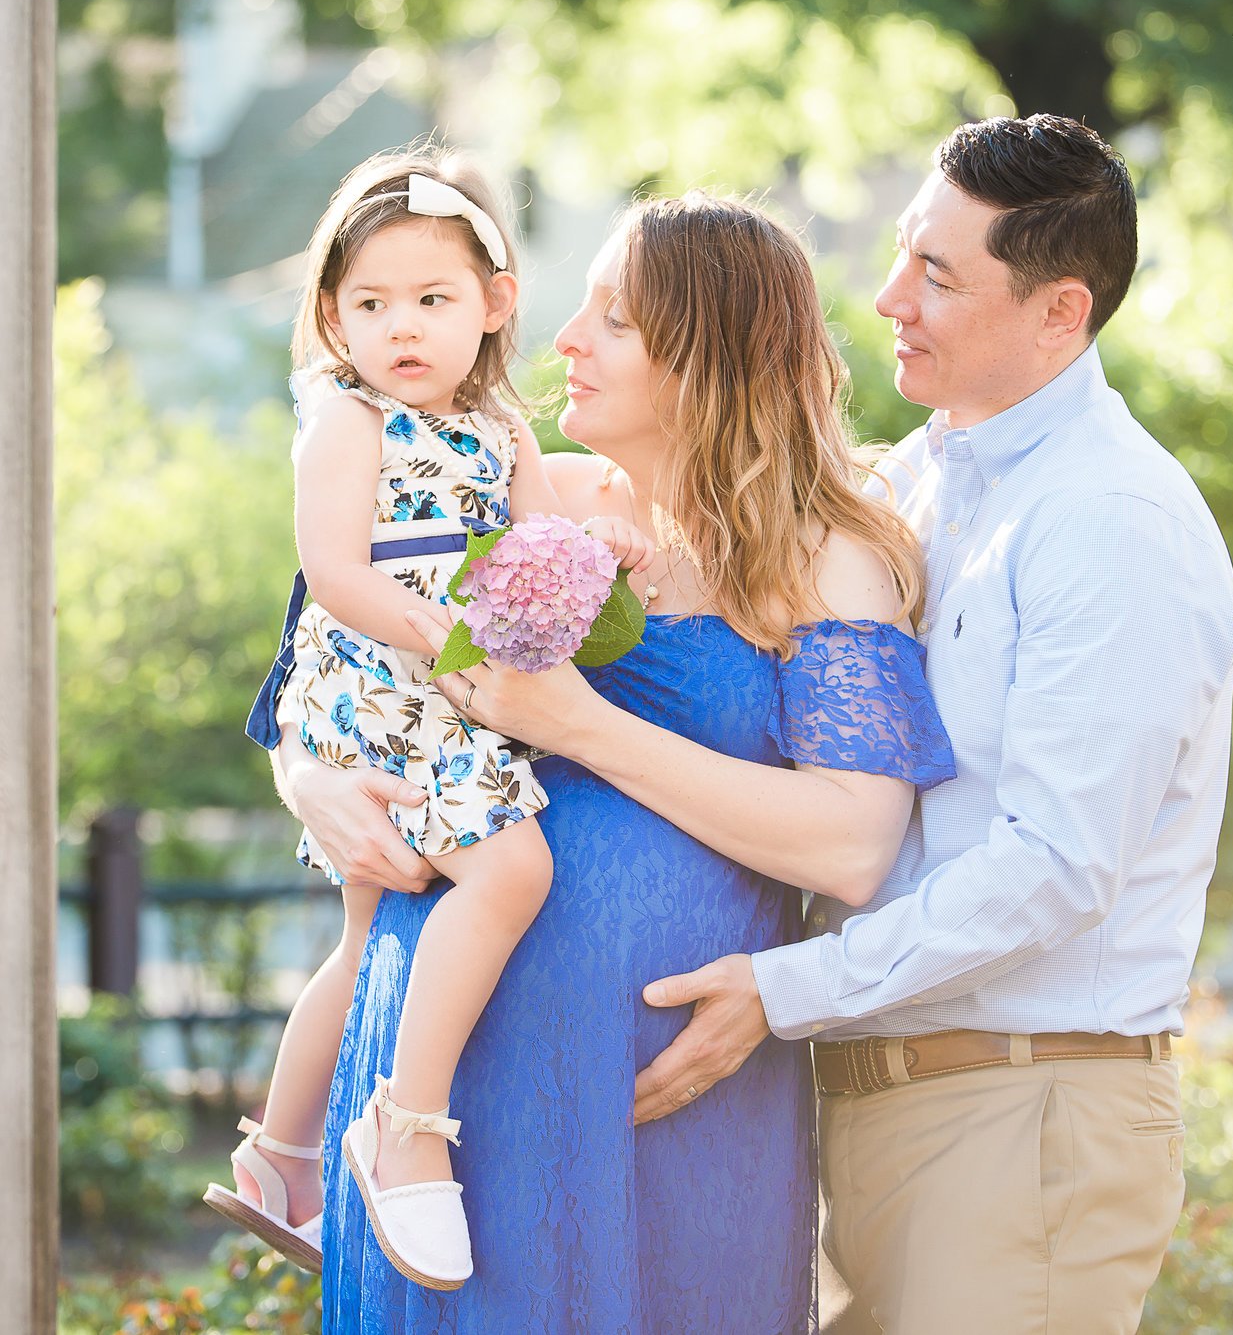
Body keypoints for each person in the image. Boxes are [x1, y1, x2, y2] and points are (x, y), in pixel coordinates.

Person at [595, 116, 1233, 1334]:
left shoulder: (1109, 522)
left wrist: (785, 986)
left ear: (1060, 312)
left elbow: (1054, 867)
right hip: (867, 1103)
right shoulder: (912, 483)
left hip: (1021, 1116)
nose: (889, 295)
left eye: (939, 275)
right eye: (905, 252)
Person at [275, 192, 957, 1332]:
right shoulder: (521, 492)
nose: (558, 343)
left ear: (710, 355)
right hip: (430, 1098)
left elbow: (849, 845)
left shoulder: (833, 556)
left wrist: (582, 723)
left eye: (614, 320)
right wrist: (308, 777)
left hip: (655, 1093)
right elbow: (331, 654)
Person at [204, 148, 652, 1291]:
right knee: (509, 873)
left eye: (431, 299)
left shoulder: (499, 428)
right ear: (332, 317)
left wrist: (599, 555)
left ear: (495, 303)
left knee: (363, 946)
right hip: (380, 684)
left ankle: (278, 1155)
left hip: (451, 684)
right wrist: (448, 634)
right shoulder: (349, 425)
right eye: (371, 303)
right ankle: (406, 1121)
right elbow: (336, 575)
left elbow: (536, 540)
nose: (400, 326)